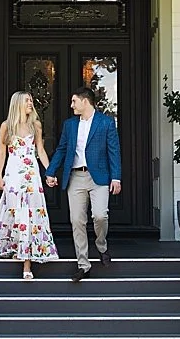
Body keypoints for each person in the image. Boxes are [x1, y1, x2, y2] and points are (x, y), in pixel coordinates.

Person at [45, 85, 122, 281]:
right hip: (75, 177)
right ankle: (83, 265)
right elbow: (62, 149)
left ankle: (101, 246)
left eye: (74, 101)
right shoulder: (70, 125)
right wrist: (51, 171)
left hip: (99, 177)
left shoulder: (106, 122)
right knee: (77, 221)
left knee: (100, 216)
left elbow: (114, 151)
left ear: (85, 101)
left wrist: (116, 177)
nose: (71, 105)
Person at [0, 90, 58, 279]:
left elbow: (40, 150)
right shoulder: (6, 126)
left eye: (31, 100)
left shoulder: (36, 125)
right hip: (14, 174)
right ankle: (17, 249)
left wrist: (49, 172)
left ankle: (27, 264)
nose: (31, 103)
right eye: (27, 100)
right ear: (17, 103)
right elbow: (2, 152)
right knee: (15, 211)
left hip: (31, 175)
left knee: (31, 214)